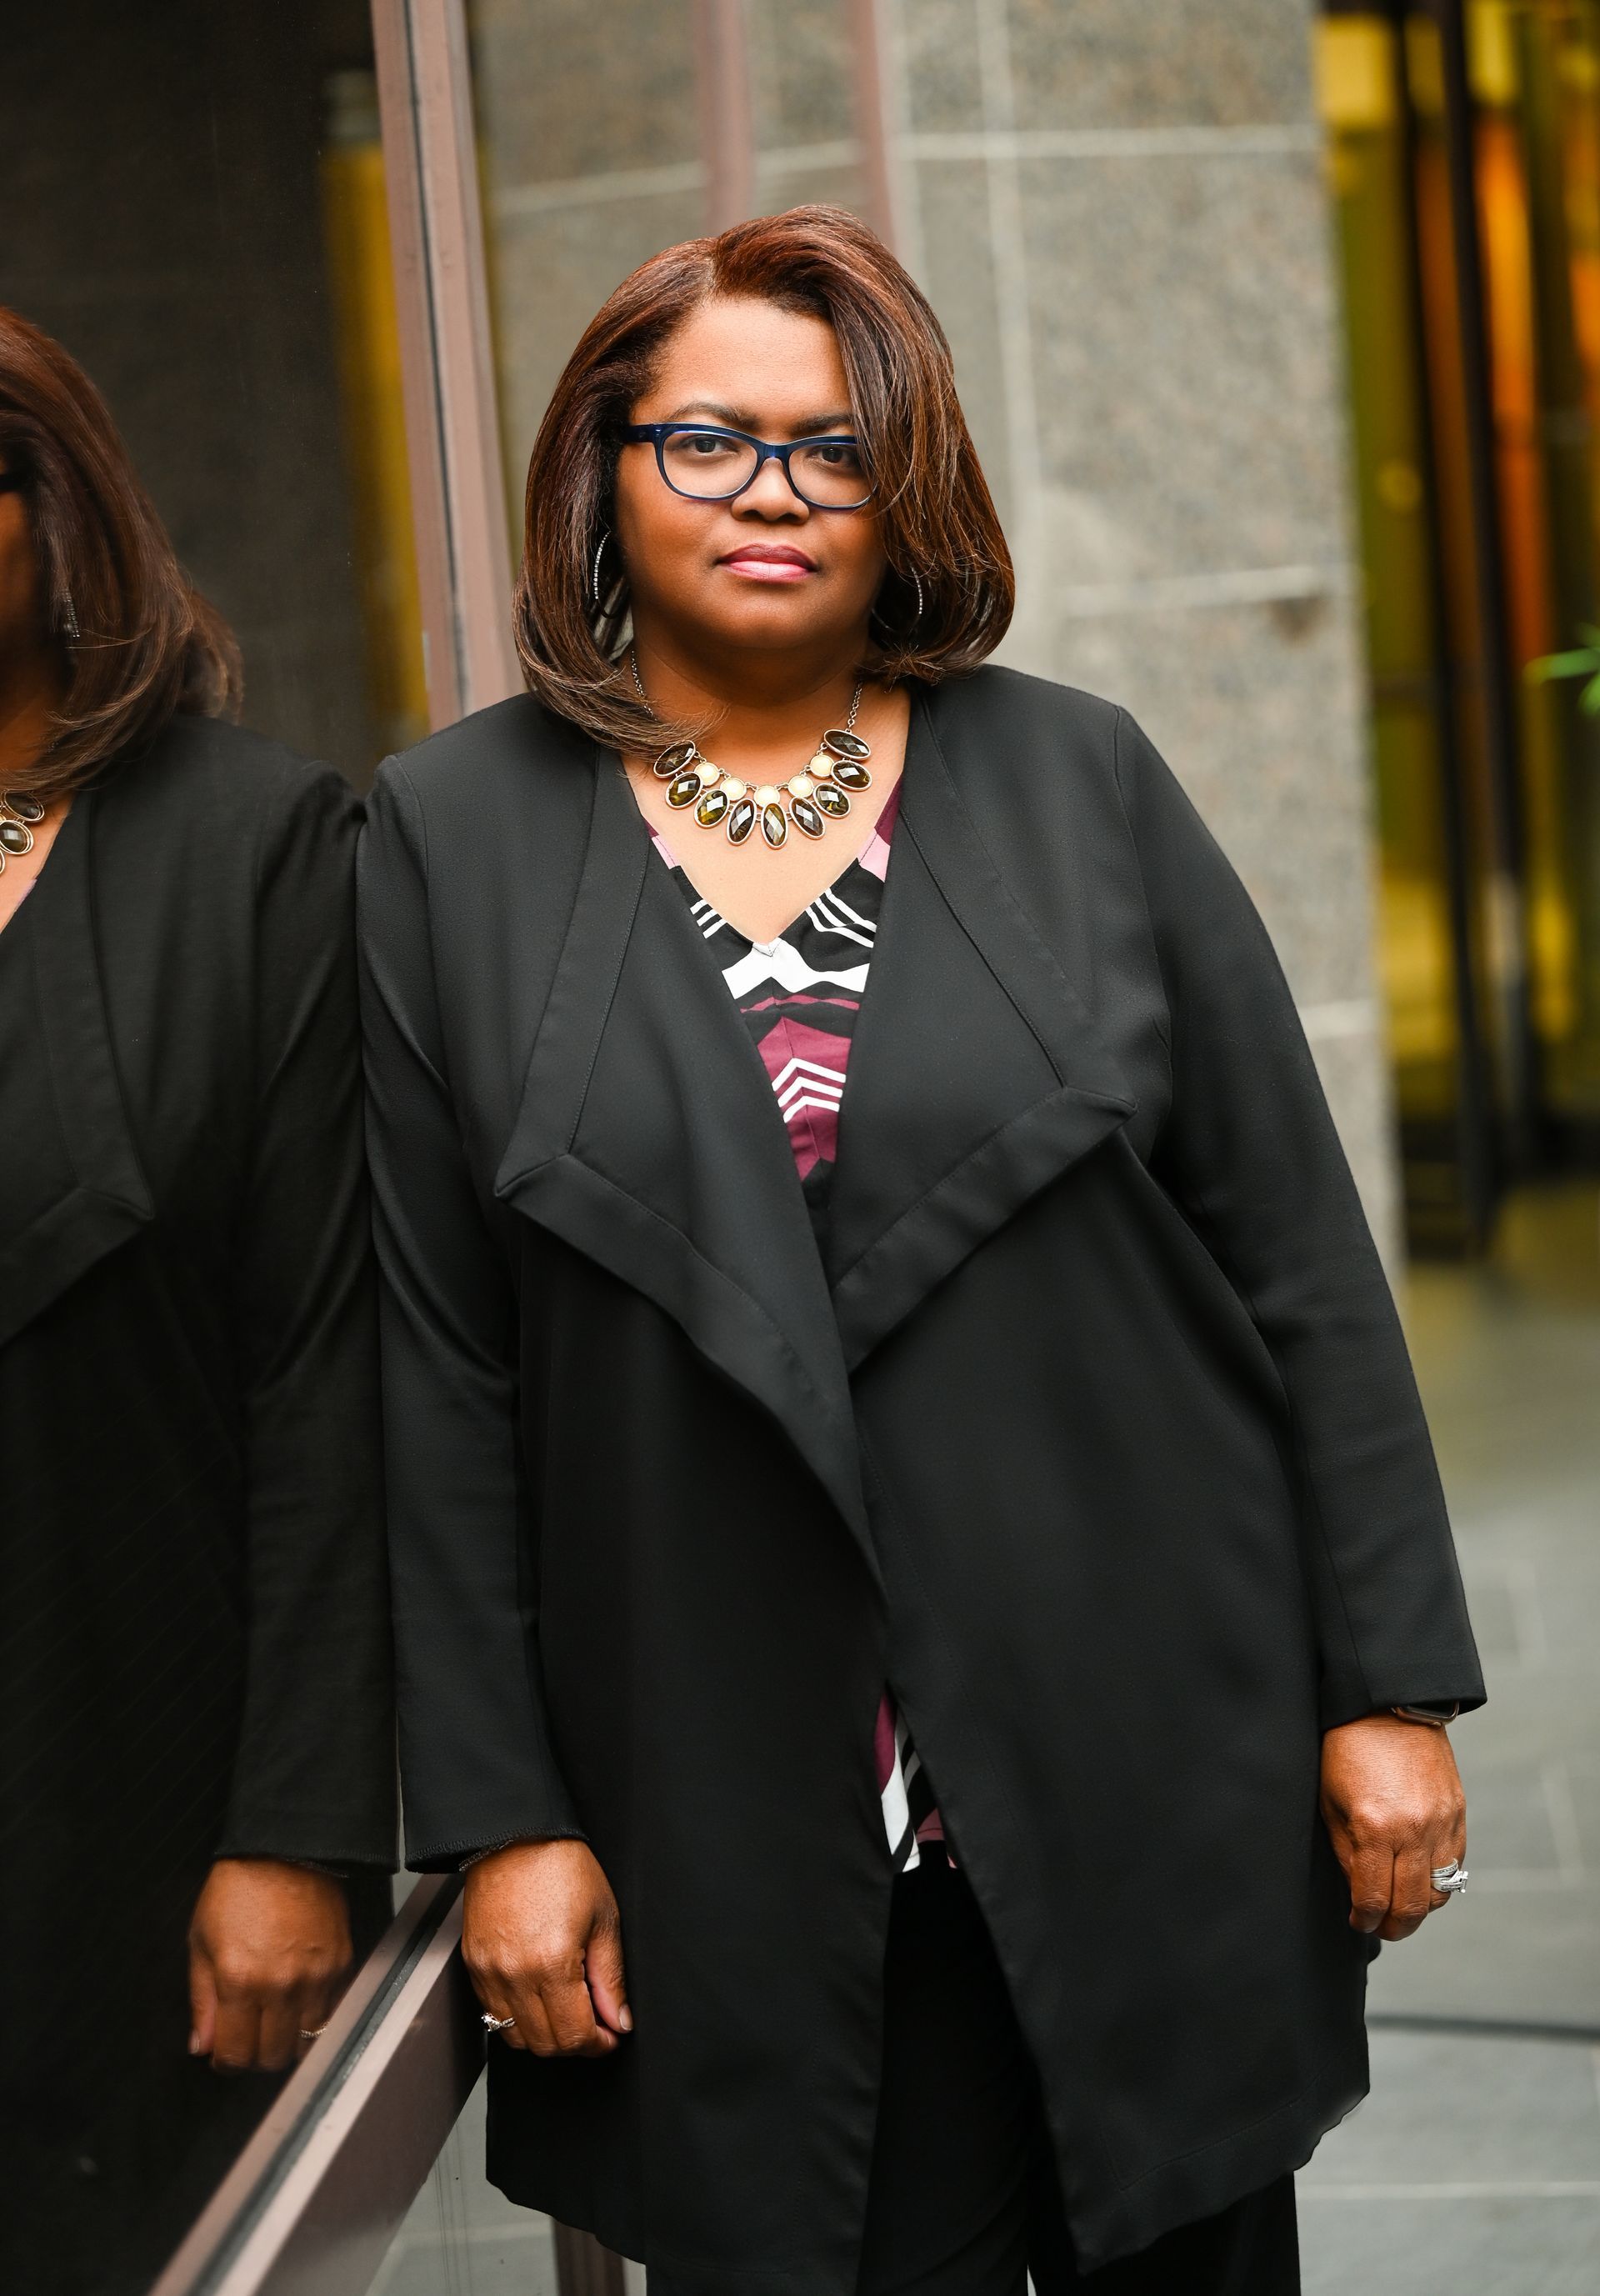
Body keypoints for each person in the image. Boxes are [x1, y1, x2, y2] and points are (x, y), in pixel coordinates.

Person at [359, 207, 1482, 2296]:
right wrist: (503, 1817)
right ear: (603, 465)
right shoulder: (450, 839)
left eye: (835, 443)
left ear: (910, 484)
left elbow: (1299, 1255)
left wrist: (1391, 1687)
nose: (774, 492)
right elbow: (441, 1375)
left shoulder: (1081, 780)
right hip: (733, 1800)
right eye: (707, 439)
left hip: (1137, 1740)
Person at [0, 308, 395, 2295]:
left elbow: (332, 1364)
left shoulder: (256, 848)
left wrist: (298, 1830)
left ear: (47, 511)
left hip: (136, 1791)